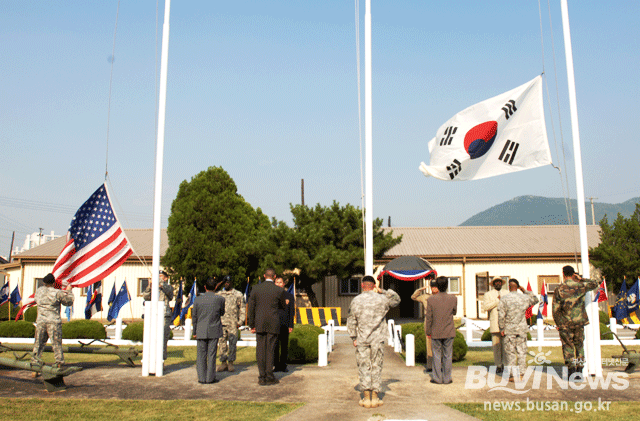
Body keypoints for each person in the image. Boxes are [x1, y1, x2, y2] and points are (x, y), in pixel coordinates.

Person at [347, 275, 400, 409]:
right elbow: (396, 299)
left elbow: (351, 320)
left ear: (362, 285)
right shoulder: (382, 299)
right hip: (378, 339)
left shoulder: (356, 300)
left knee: (364, 366)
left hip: (362, 339)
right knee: (376, 366)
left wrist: (354, 337)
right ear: (374, 285)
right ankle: (375, 398)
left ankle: (366, 398)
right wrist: (382, 291)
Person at [552, 265, 598, 379]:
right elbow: (595, 284)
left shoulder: (559, 289)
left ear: (563, 274)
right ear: (573, 274)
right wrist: (581, 279)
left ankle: (571, 371)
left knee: (567, 346)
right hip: (579, 322)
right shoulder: (581, 286)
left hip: (565, 323)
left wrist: (559, 324)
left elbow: (555, 309)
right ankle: (580, 370)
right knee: (579, 345)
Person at [247, 268, 286, 386]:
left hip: (259, 323)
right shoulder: (278, 290)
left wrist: (251, 324)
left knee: (260, 349)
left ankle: (261, 376)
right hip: (273, 323)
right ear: (274, 277)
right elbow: (283, 306)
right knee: (270, 349)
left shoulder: (256, 288)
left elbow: (251, 308)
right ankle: (270, 376)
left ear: (264, 276)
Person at [31, 273, 74, 374]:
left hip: (41, 321)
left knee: (38, 344)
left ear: (44, 282)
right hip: (53, 322)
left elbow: (36, 300)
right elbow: (68, 302)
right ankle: (59, 363)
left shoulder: (39, 291)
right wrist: (69, 291)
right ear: (54, 283)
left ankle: (34, 365)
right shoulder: (57, 293)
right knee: (56, 344)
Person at [498, 279, 538, 381]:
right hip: (521, 329)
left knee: (510, 353)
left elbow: (501, 315)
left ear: (509, 286)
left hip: (509, 329)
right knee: (521, 352)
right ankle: (521, 373)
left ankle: (512, 375)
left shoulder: (504, 299)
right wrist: (525, 291)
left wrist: (501, 328)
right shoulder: (524, 297)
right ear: (518, 287)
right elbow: (535, 299)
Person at [192, 278, 226, 384]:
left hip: (201, 329)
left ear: (205, 287)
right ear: (216, 287)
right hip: (214, 329)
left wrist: (194, 331)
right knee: (212, 355)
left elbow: (194, 317)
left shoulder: (197, 299)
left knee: (201, 355)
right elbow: (222, 313)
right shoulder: (220, 299)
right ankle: (210, 378)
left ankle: (201, 378)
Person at [425, 276, 457, 385]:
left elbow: (429, 317)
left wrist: (428, 331)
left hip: (435, 331)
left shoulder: (431, 299)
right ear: (447, 286)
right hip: (449, 330)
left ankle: (437, 378)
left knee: (436, 355)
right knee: (448, 355)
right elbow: (454, 311)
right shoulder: (453, 298)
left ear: (437, 286)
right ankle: (447, 378)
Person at [216, 275, 246, 372]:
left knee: (233, 343)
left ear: (232, 283)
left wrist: (240, 321)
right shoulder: (219, 294)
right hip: (221, 322)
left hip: (233, 323)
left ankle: (231, 363)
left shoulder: (238, 294)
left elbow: (242, 308)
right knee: (222, 343)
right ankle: (223, 362)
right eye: (225, 282)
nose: (227, 284)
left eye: (229, 282)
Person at [143, 270, 174, 360]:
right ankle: (151, 359)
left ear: (165, 278)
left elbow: (170, 294)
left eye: (160, 276)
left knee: (163, 338)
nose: (158, 278)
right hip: (153, 314)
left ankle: (162, 359)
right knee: (152, 337)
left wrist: (161, 284)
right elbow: (146, 297)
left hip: (164, 314)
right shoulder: (153, 288)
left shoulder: (168, 287)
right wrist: (150, 286)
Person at [410, 277, 438, 372]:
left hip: (438, 321)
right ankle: (430, 365)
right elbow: (413, 297)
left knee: (439, 344)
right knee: (429, 343)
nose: (434, 288)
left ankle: (439, 365)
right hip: (428, 321)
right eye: (432, 286)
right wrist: (420, 290)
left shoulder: (441, 297)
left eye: (436, 286)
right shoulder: (426, 296)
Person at [483, 277, 506, 373]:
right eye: (496, 282)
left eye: (499, 282)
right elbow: (485, 307)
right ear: (493, 284)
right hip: (495, 323)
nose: (498, 284)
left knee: (505, 346)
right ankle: (498, 365)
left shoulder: (507, 293)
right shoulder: (488, 294)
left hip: (505, 323)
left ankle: (505, 364)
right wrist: (496, 301)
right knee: (496, 347)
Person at [274, 277, 295, 372]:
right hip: (274, 324)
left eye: (280, 282)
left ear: (283, 284)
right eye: (277, 282)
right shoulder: (271, 296)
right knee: (275, 346)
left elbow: (291, 312)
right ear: (274, 284)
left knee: (284, 346)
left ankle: (283, 365)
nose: (279, 284)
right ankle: (276, 366)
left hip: (285, 324)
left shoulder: (289, 296)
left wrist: (291, 325)